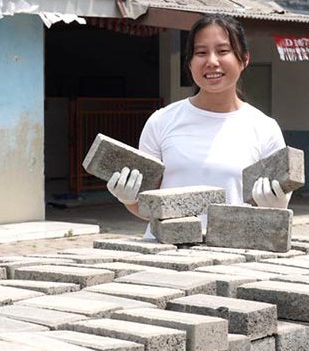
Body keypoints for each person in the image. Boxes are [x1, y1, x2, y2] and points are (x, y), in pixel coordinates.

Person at [107, 13, 291, 230]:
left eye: (223, 51)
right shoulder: (161, 121)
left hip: (231, 255)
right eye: (201, 53)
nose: (212, 62)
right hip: (166, 252)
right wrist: (129, 198)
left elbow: (275, 210)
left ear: (244, 59)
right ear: (190, 63)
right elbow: (146, 206)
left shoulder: (264, 128)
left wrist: (275, 205)